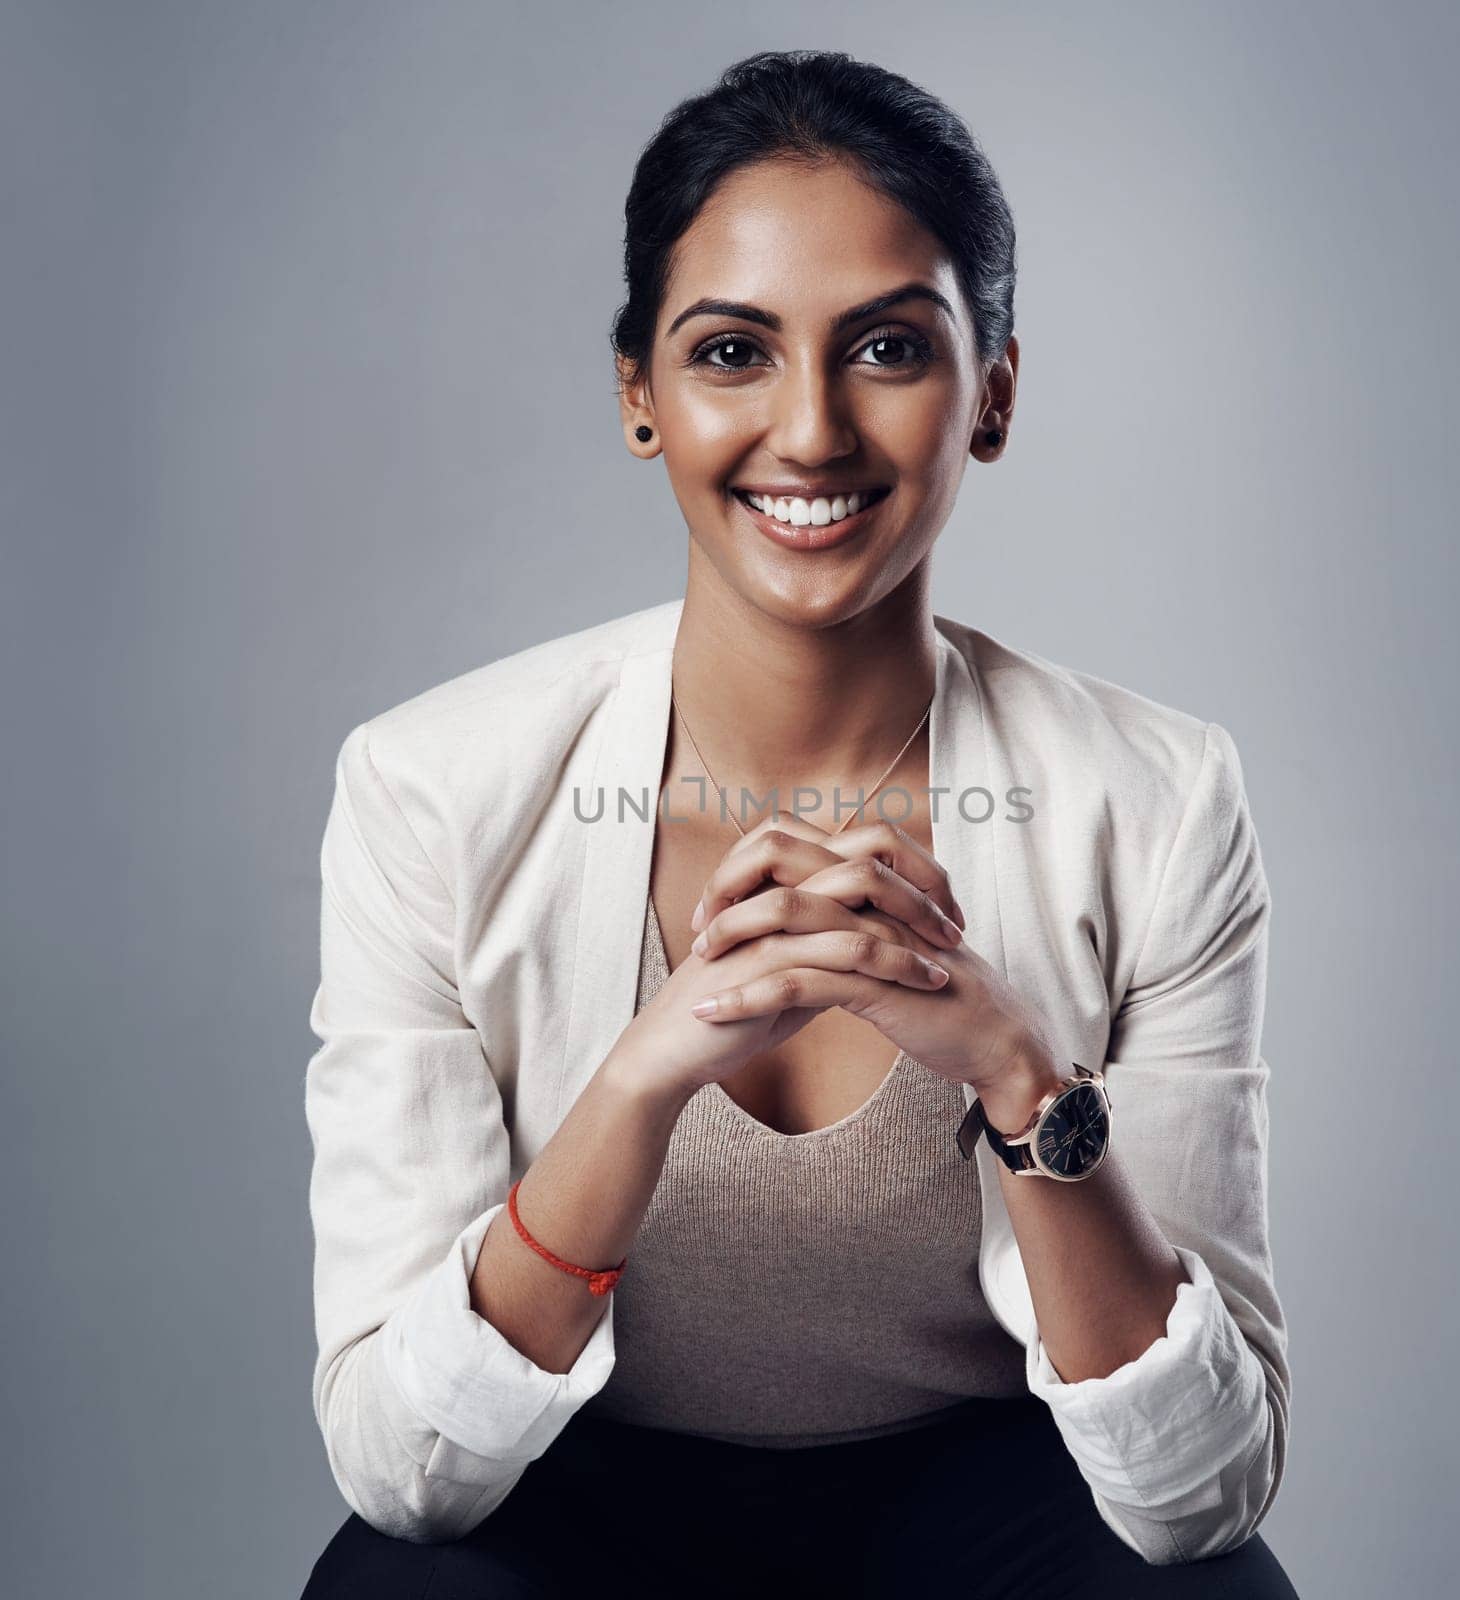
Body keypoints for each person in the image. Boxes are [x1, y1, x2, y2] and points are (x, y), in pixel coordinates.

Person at [301, 49, 1299, 1598]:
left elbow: (1204, 1493)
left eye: (891, 346)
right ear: (641, 393)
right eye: (732, 352)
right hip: (584, 1492)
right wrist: (641, 1078)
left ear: (997, 394)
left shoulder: (1156, 803)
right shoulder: (429, 792)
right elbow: (401, 1467)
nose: (813, 431)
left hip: (982, 1493)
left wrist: (1025, 1076)